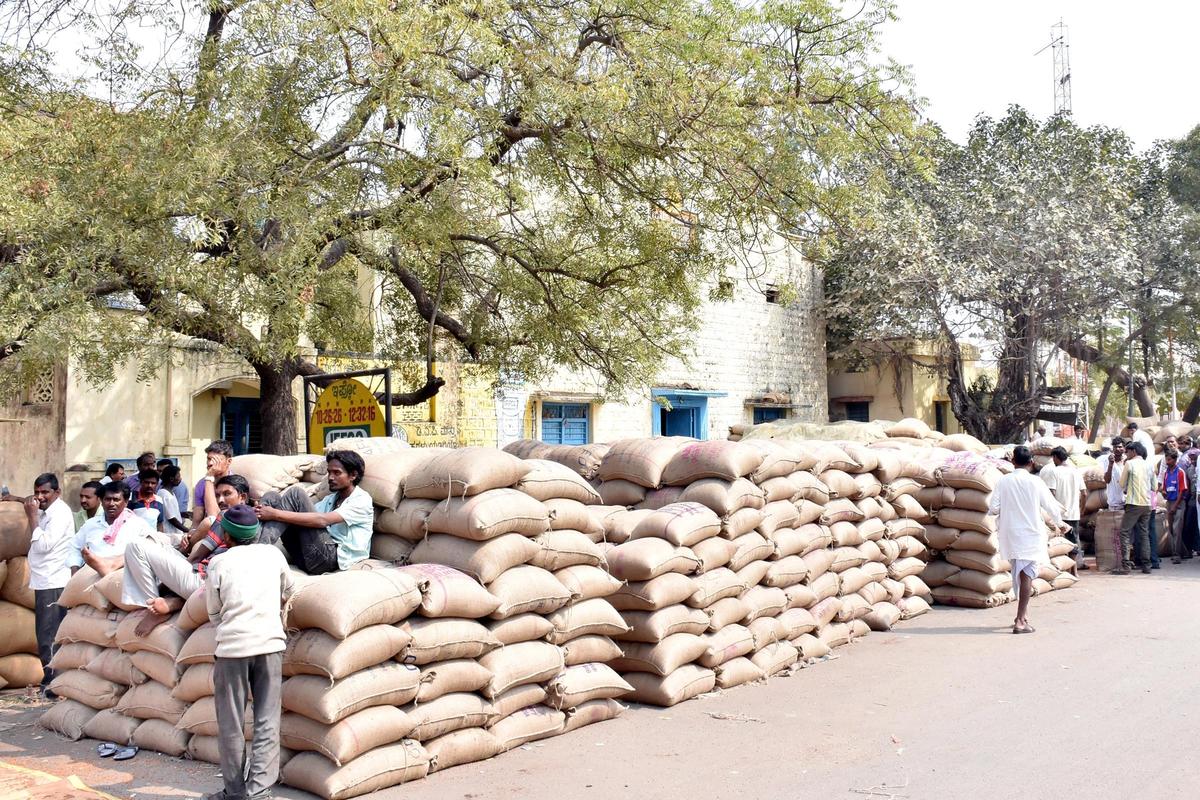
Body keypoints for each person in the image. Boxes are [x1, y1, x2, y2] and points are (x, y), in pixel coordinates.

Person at [205, 503, 295, 800]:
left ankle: (234, 792)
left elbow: (213, 612)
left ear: (226, 536)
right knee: (267, 719)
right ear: (255, 533)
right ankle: (259, 791)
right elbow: (289, 590)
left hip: (232, 650)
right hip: (270, 645)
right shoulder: (273, 555)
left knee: (231, 723)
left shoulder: (218, 563)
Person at [122, 475, 252, 634]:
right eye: (217, 495)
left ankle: (153, 606)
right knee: (158, 544)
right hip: (211, 585)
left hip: (203, 581)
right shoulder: (256, 522)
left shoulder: (226, 517)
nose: (220, 500)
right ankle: (176, 601)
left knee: (135, 547)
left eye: (227, 494)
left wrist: (165, 585)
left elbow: (196, 557)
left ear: (242, 497)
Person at [2, 474, 73, 695]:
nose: (40, 497)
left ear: (57, 493)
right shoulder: (46, 509)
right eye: (37, 492)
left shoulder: (59, 514)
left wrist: (32, 516)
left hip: (53, 581)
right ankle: (52, 679)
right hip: (44, 580)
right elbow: (34, 503)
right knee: (45, 632)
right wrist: (16, 498)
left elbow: (43, 545)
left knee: (48, 634)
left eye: (45, 493)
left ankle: (52, 682)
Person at [988, 446, 1066, 634]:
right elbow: (1051, 506)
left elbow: (993, 508)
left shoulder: (1003, 481)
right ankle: (1021, 620)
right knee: (1026, 575)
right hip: (1031, 534)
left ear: (1013, 462)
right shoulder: (1035, 482)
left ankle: (1021, 616)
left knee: (1019, 572)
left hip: (1010, 534)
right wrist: (1060, 523)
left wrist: (1010, 506)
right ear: (1031, 462)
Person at [255, 450, 372, 574]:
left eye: (337, 473)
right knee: (272, 497)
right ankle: (253, 543)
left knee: (296, 494)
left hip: (329, 559)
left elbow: (322, 521)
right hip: (305, 556)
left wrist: (274, 514)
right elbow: (305, 516)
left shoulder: (361, 500)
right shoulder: (330, 499)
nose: (330, 477)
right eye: (329, 472)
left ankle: (258, 552)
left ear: (353, 475)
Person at [71, 481, 158, 576]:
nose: (111, 503)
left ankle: (111, 565)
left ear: (126, 502)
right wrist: (75, 568)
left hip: (125, 576)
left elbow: (153, 547)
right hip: (93, 576)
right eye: (107, 499)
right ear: (101, 501)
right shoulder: (91, 524)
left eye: (116, 500)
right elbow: (74, 546)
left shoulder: (138, 525)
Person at [1117, 441, 1156, 575]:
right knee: (1144, 534)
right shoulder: (1149, 465)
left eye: (1127, 451)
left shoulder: (1130, 464)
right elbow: (1155, 487)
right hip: (1147, 504)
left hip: (1133, 504)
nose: (1126, 454)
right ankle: (1147, 565)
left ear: (1134, 451)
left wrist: (1128, 486)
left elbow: (1121, 483)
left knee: (1124, 532)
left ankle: (1126, 565)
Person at [193, 440, 234, 529]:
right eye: (209, 459)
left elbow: (214, 517)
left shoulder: (236, 484)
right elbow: (197, 518)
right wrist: (192, 532)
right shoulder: (201, 484)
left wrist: (209, 477)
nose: (210, 463)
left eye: (216, 460)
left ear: (229, 461)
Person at [1162, 451, 1189, 565]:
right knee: (1172, 529)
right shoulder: (1166, 473)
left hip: (1178, 503)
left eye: (1169, 460)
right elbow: (1164, 488)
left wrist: (1175, 505)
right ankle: (1184, 552)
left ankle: (1177, 554)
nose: (1167, 462)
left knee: (1177, 529)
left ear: (1175, 460)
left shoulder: (1180, 472)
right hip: (1169, 502)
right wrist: (1164, 492)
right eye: (1166, 460)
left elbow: (1182, 491)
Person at [1097, 437, 1127, 511]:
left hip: (1127, 501)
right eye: (1115, 447)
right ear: (1112, 448)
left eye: (1120, 447)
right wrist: (1110, 464)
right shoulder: (1107, 460)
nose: (1117, 449)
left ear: (1124, 448)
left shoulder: (1127, 460)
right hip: (1114, 502)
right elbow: (1107, 480)